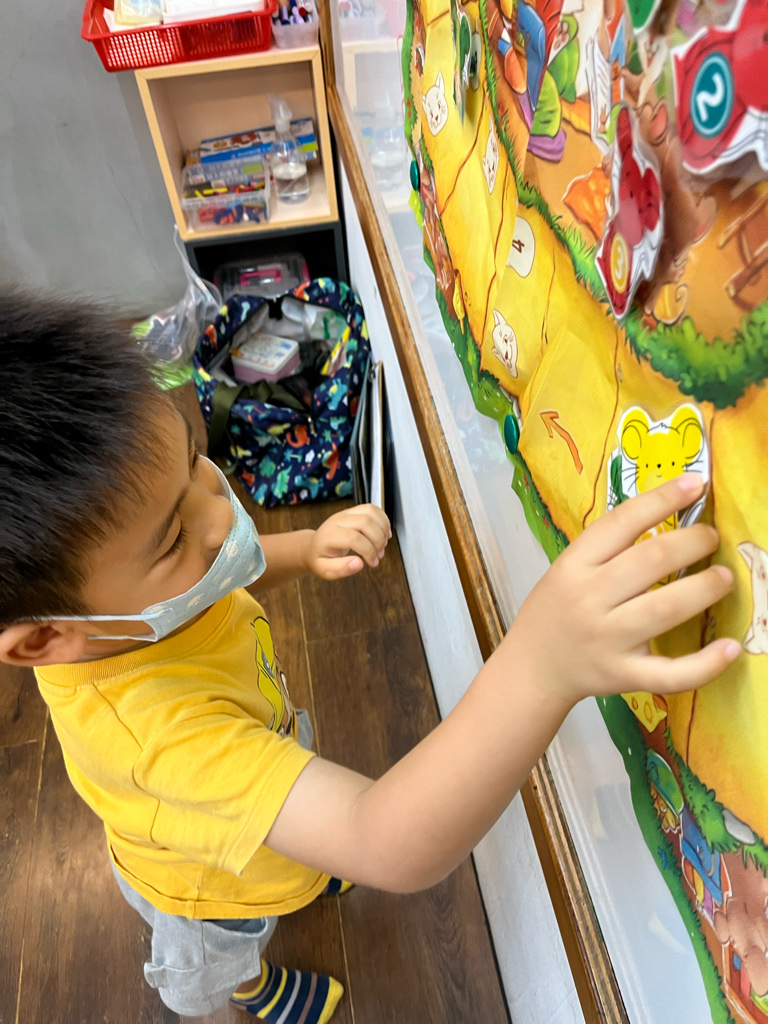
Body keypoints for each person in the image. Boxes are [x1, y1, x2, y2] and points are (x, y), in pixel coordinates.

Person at [0, 294, 741, 1022]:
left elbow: (218, 574)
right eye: (172, 539)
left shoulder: (129, 606)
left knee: (298, 840)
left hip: (257, 757)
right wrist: (543, 667)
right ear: (43, 641)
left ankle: (304, 867)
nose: (221, 515)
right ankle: (249, 990)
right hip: (210, 887)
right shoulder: (156, 738)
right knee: (225, 959)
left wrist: (302, 548)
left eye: (196, 463)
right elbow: (381, 841)